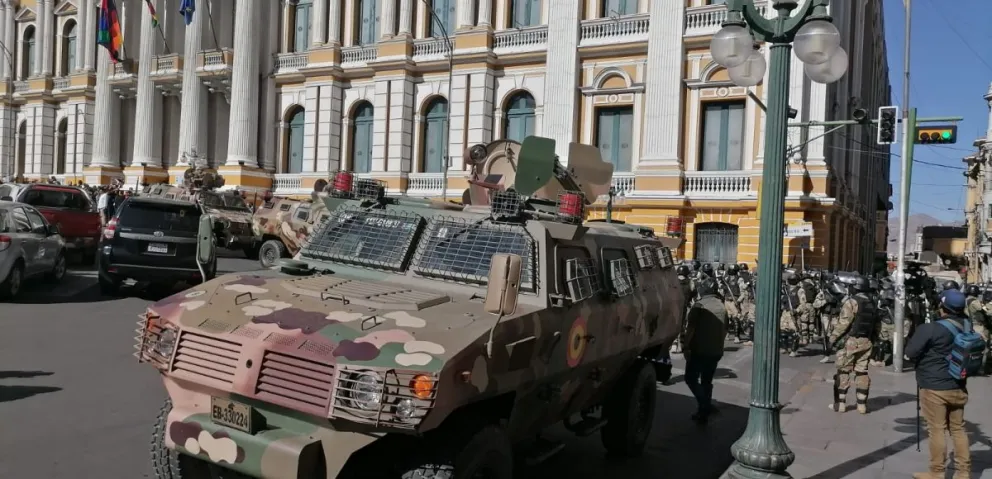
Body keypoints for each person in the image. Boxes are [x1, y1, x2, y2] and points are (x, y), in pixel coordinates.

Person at [907, 290, 971, 479]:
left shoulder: (930, 328)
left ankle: (936, 473)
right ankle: (963, 473)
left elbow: (911, 352)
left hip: (934, 388)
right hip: (958, 385)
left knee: (936, 430)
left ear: (942, 307)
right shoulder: (967, 325)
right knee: (958, 429)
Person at [828, 275, 877, 414]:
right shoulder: (873, 302)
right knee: (862, 371)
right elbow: (876, 326)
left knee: (843, 371)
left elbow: (844, 323)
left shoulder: (852, 303)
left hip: (850, 341)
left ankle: (841, 404)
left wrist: (833, 338)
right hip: (866, 341)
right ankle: (861, 405)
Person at [682, 277, 727, 425]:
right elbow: (725, 328)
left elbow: (691, 329)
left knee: (691, 379)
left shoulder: (699, 306)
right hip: (716, 350)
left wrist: (685, 346)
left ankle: (704, 405)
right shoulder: (721, 306)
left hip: (699, 350)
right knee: (707, 381)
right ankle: (703, 411)